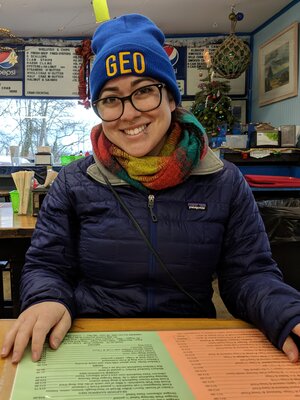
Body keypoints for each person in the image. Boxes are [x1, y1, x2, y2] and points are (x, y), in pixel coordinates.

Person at [2, 13, 300, 364]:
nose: (128, 113)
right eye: (111, 98)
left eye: (144, 91)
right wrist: (47, 299)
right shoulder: (74, 181)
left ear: (172, 99)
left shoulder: (224, 181)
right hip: (90, 342)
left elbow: (249, 274)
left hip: (190, 345)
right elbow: (47, 265)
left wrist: (286, 313)